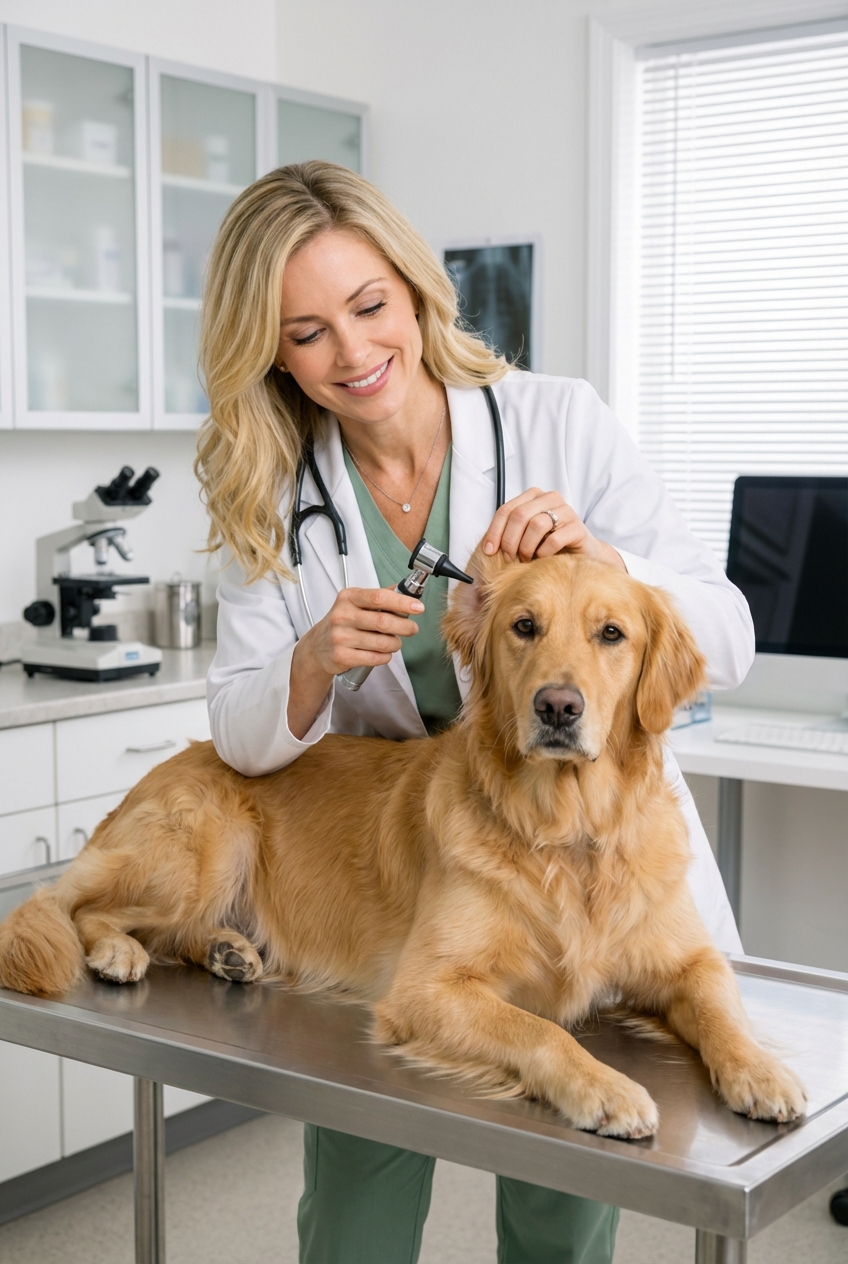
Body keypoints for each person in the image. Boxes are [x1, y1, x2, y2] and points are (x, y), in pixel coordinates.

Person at [197, 160, 753, 1264]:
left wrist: (604, 558)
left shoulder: (558, 421)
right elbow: (237, 731)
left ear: (411, 289)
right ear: (268, 348)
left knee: (563, 1174)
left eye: (367, 308)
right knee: (361, 1164)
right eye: (306, 332)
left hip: (572, 836)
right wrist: (307, 664)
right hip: (398, 851)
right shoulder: (267, 486)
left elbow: (722, 633)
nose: (352, 355)